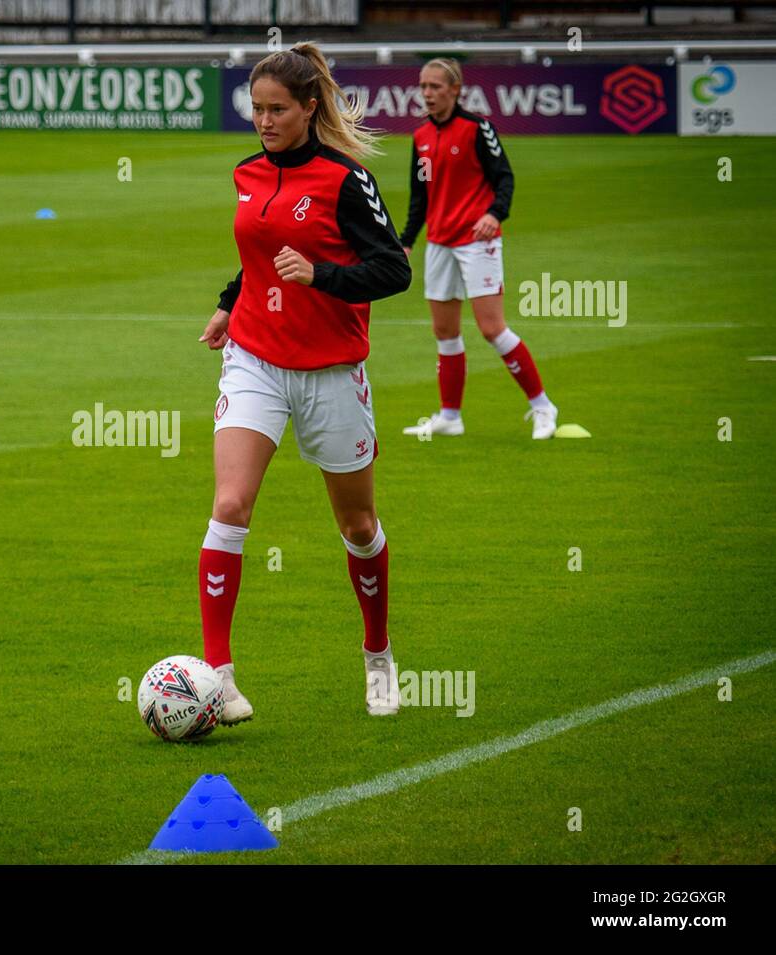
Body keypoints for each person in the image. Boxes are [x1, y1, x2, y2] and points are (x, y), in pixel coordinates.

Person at [197, 43, 411, 721]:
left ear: (309, 108)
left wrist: (323, 277)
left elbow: (393, 270)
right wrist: (231, 303)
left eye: (276, 109)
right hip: (255, 358)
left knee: (358, 523)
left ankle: (378, 655)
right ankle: (218, 677)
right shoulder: (245, 173)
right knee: (230, 505)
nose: (263, 120)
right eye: (255, 109)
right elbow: (258, 254)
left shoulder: (346, 181)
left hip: (332, 372)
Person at [398, 57, 559, 440]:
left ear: (455, 90)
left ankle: (542, 406)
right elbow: (420, 195)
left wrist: (494, 214)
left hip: (477, 241)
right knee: (445, 331)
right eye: (423, 86)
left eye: (436, 87)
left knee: (492, 329)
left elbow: (504, 177)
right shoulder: (421, 138)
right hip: (439, 243)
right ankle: (450, 417)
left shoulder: (477, 129)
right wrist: (406, 241)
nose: (428, 94)